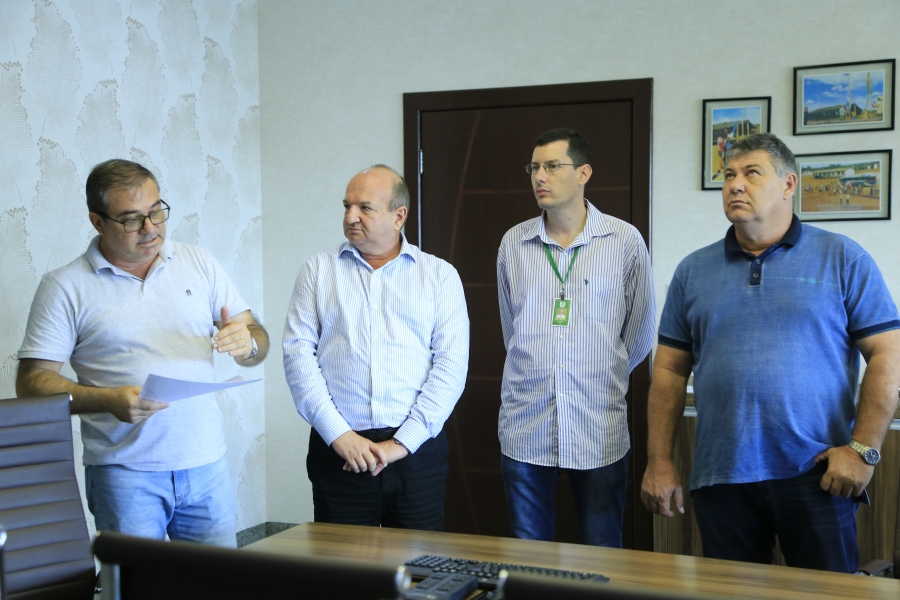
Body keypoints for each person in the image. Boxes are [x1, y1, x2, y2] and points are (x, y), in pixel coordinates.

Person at [641, 133, 900, 572]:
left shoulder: (842, 257)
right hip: (721, 476)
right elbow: (669, 370)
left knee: (825, 596)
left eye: (752, 173)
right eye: (729, 175)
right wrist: (659, 461)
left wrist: (862, 451)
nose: (735, 184)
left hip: (817, 473)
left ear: (788, 184)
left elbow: (888, 355)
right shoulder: (693, 271)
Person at [16, 159, 269, 547]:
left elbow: (255, 338)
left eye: (156, 211)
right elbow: (32, 384)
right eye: (132, 219)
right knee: (137, 579)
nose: (151, 228)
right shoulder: (64, 286)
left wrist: (247, 343)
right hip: (124, 474)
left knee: (218, 578)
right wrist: (106, 400)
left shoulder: (198, 261)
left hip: (206, 464)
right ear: (98, 222)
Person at [282, 164, 469, 531]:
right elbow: (297, 357)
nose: (351, 216)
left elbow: (450, 367)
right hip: (339, 453)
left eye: (364, 207)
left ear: (399, 216)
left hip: (416, 454)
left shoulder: (439, 276)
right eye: (347, 206)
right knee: (343, 563)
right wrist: (340, 436)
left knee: (417, 564)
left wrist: (400, 444)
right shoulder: (318, 272)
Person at [497, 128, 655, 547]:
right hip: (526, 423)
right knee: (527, 553)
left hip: (597, 423)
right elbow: (512, 331)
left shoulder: (624, 241)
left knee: (602, 550)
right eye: (534, 167)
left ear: (584, 173)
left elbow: (639, 335)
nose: (539, 177)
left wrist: (604, 369)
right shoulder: (514, 243)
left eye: (552, 166)